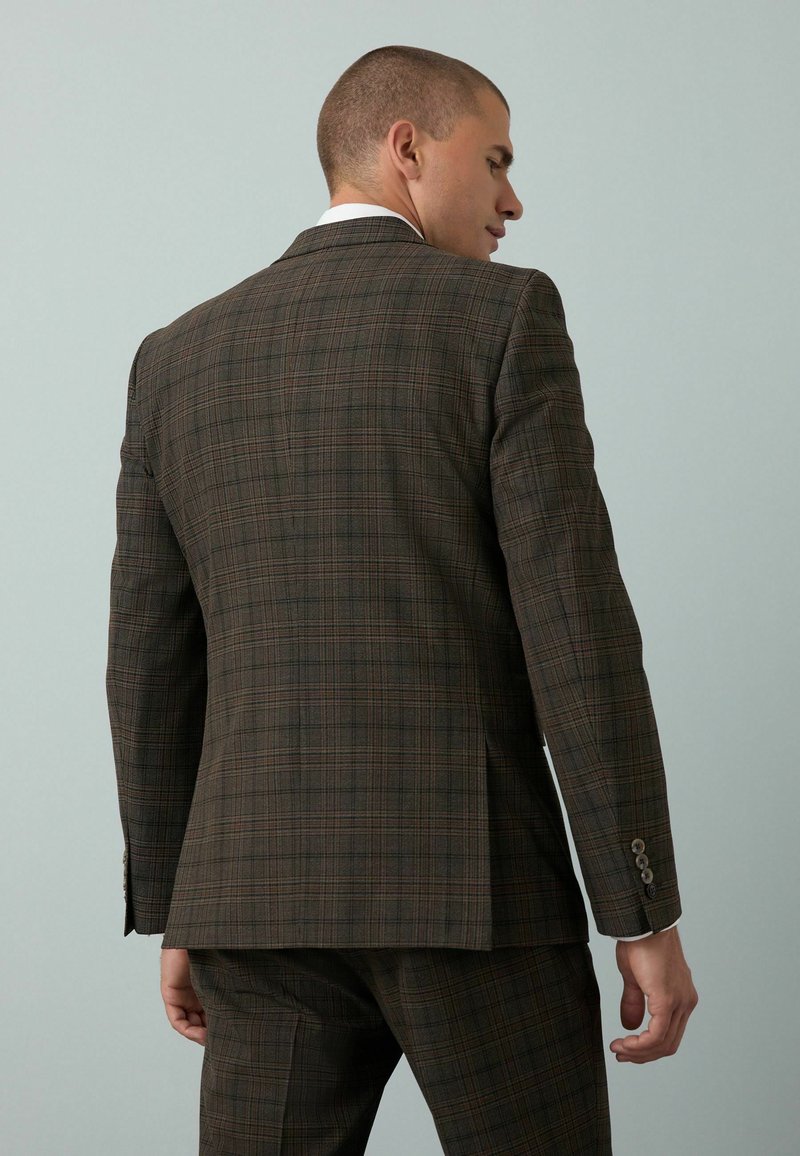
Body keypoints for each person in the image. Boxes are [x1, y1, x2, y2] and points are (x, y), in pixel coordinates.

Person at [106, 44, 698, 1155]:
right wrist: (642, 910)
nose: (512, 201)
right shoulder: (501, 319)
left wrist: (182, 899)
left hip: (253, 902)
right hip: (475, 895)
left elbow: (148, 660)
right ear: (407, 149)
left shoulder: (175, 359)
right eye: (496, 160)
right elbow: (576, 637)